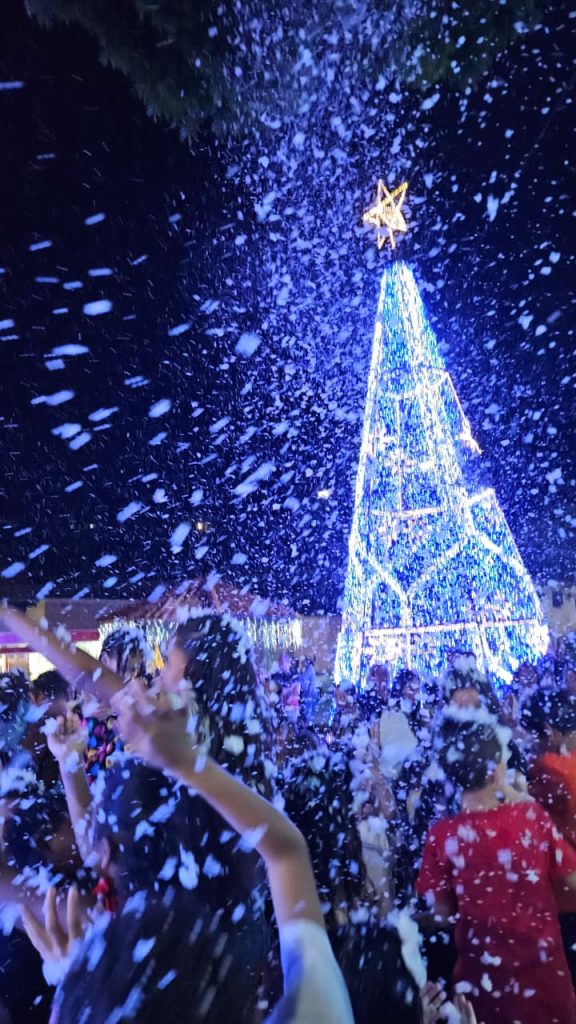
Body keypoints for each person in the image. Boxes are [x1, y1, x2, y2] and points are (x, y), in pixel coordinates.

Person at [22, 695, 355, 1024]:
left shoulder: (119, 927)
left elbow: (287, 854)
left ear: (109, 852)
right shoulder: (232, 920)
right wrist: (185, 761)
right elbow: (288, 854)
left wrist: (80, 984)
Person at [417, 715, 576, 1024]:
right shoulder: (531, 818)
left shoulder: (442, 835)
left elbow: (441, 912)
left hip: (483, 985)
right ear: (497, 770)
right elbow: (572, 878)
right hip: (543, 978)